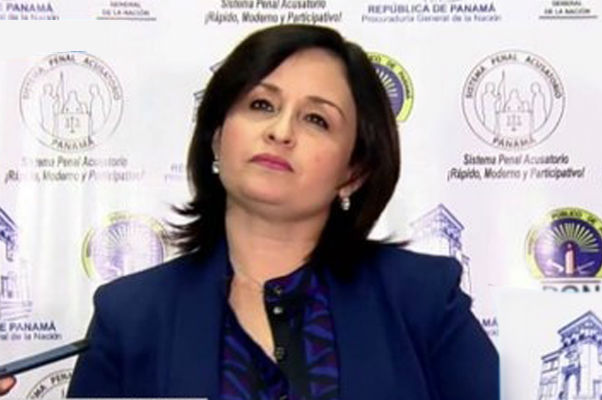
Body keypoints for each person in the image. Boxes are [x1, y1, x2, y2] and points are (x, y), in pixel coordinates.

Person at [66, 24, 498, 399]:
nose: (281, 131)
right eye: (261, 105)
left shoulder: (423, 299)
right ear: (217, 138)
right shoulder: (131, 316)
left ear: (353, 172)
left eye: (316, 119)